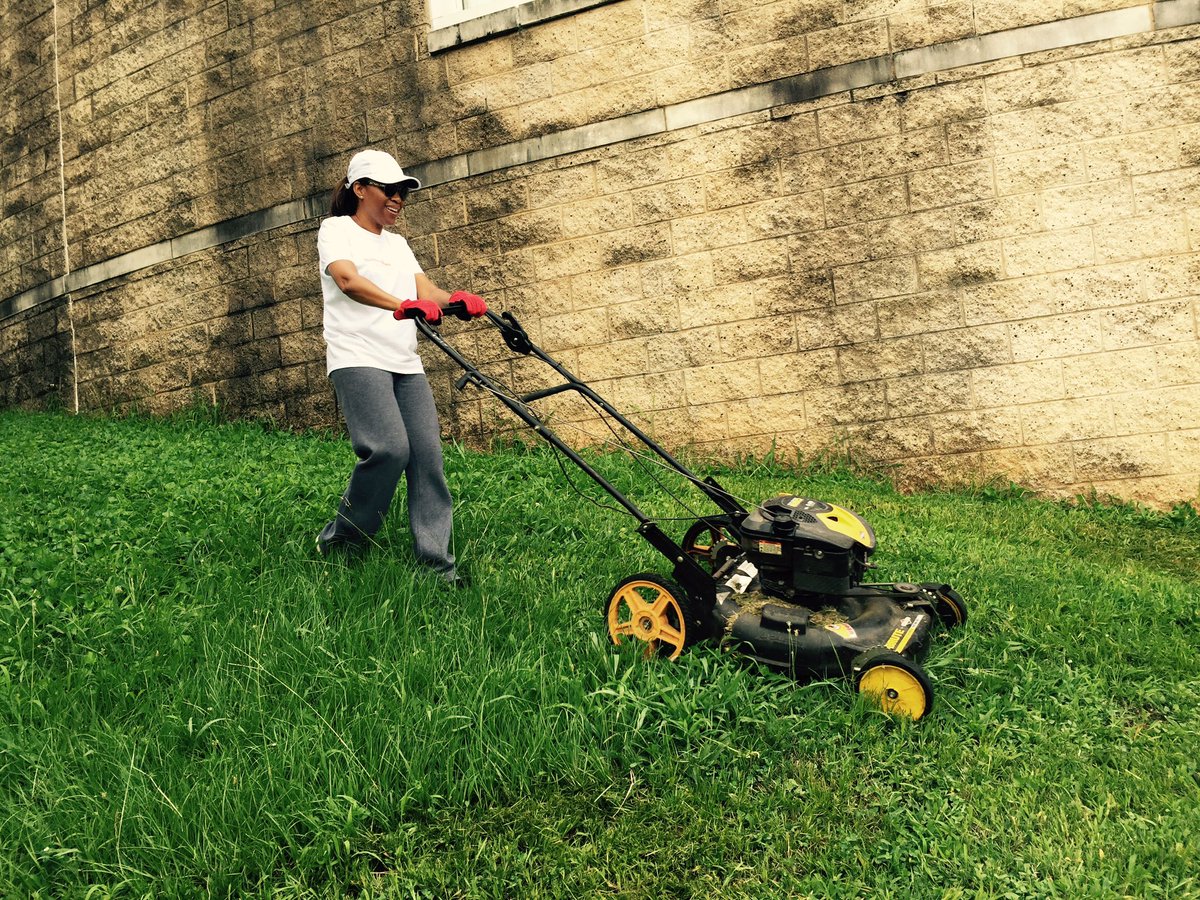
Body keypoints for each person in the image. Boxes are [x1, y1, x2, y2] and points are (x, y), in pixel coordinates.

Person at [315, 149, 487, 585]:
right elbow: (348, 281)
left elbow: (424, 288)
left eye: (403, 193)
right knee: (389, 449)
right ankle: (342, 541)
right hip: (356, 356)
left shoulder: (398, 244)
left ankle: (437, 568)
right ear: (360, 189)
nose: (398, 199)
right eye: (389, 190)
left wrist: (455, 302)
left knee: (427, 458)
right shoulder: (336, 230)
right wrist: (403, 306)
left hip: (403, 361)